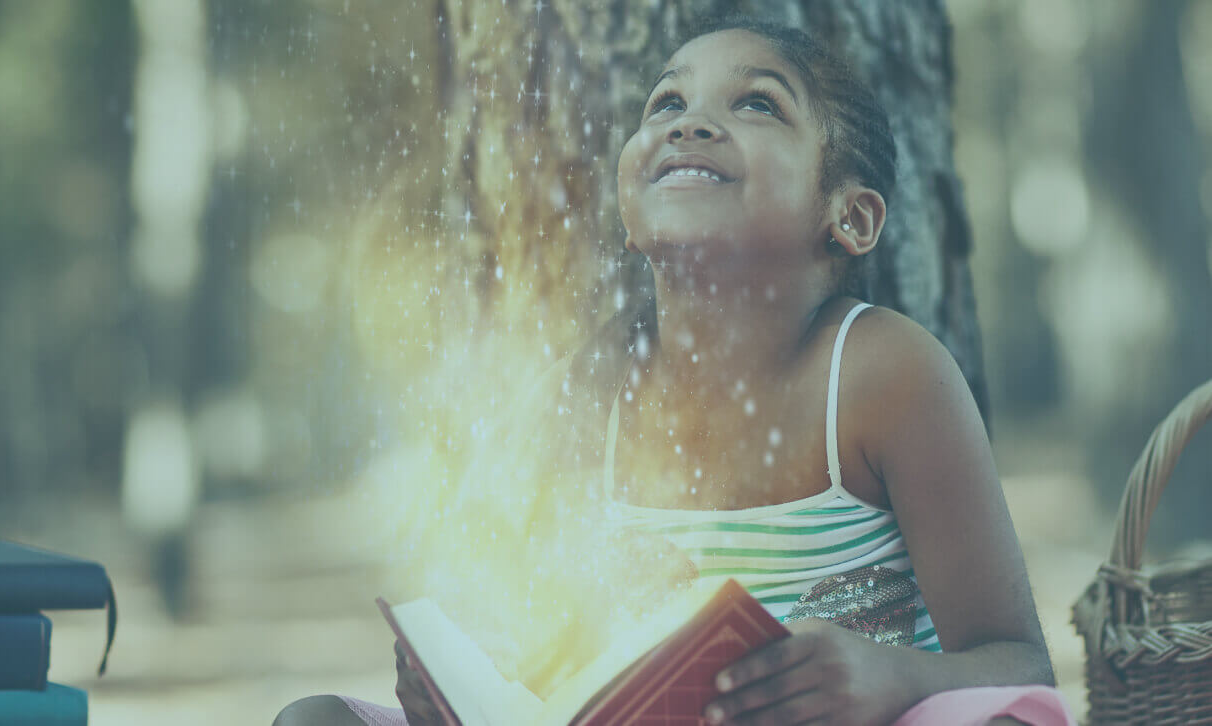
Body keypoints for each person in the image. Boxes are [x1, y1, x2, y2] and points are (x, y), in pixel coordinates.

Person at [277, 16, 1072, 726]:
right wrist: (459, 694)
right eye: (666, 104)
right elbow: (549, 660)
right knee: (316, 719)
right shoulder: (592, 386)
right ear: (631, 218)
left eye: (756, 103)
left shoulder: (882, 374)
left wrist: (892, 679)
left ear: (849, 216)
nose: (692, 124)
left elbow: (1018, 665)